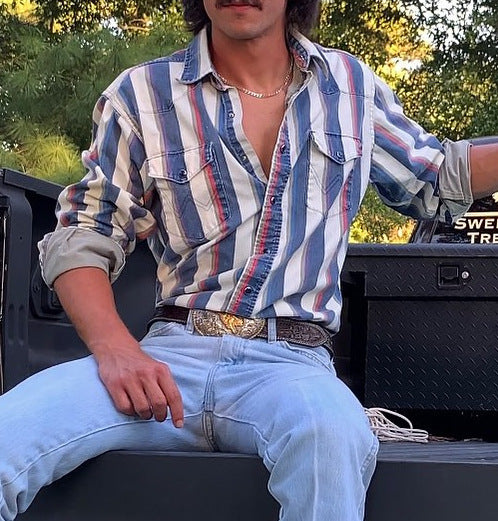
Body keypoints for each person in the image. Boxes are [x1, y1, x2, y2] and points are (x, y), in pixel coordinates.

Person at [1, 0, 498, 519]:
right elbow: (83, 233)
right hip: (169, 360)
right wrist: (117, 351)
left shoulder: (350, 87)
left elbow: (436, 178)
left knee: (330, 436)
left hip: (292, 367)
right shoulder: (143, 93)